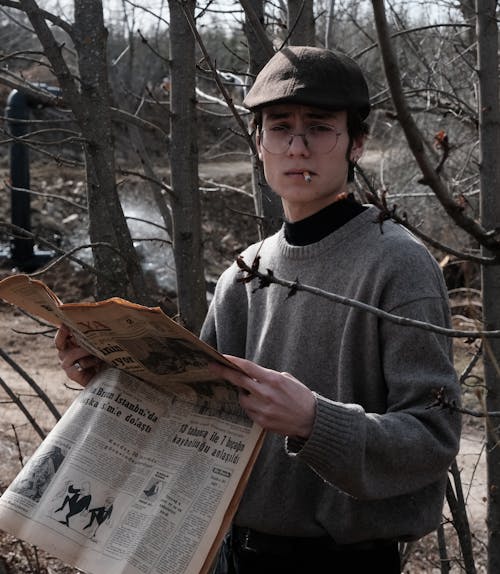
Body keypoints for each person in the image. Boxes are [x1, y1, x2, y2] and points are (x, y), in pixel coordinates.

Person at [56, 46, 462, 574]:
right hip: (231, 552)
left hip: (344, 562)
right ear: (259, 142)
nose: (297, 146)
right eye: (279, 127)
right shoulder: (246, 273)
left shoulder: (399, 264)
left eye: (319, 127)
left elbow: (434, 438)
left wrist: (316, 422)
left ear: (357, 143)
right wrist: (110, 378)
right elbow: (197, 419)